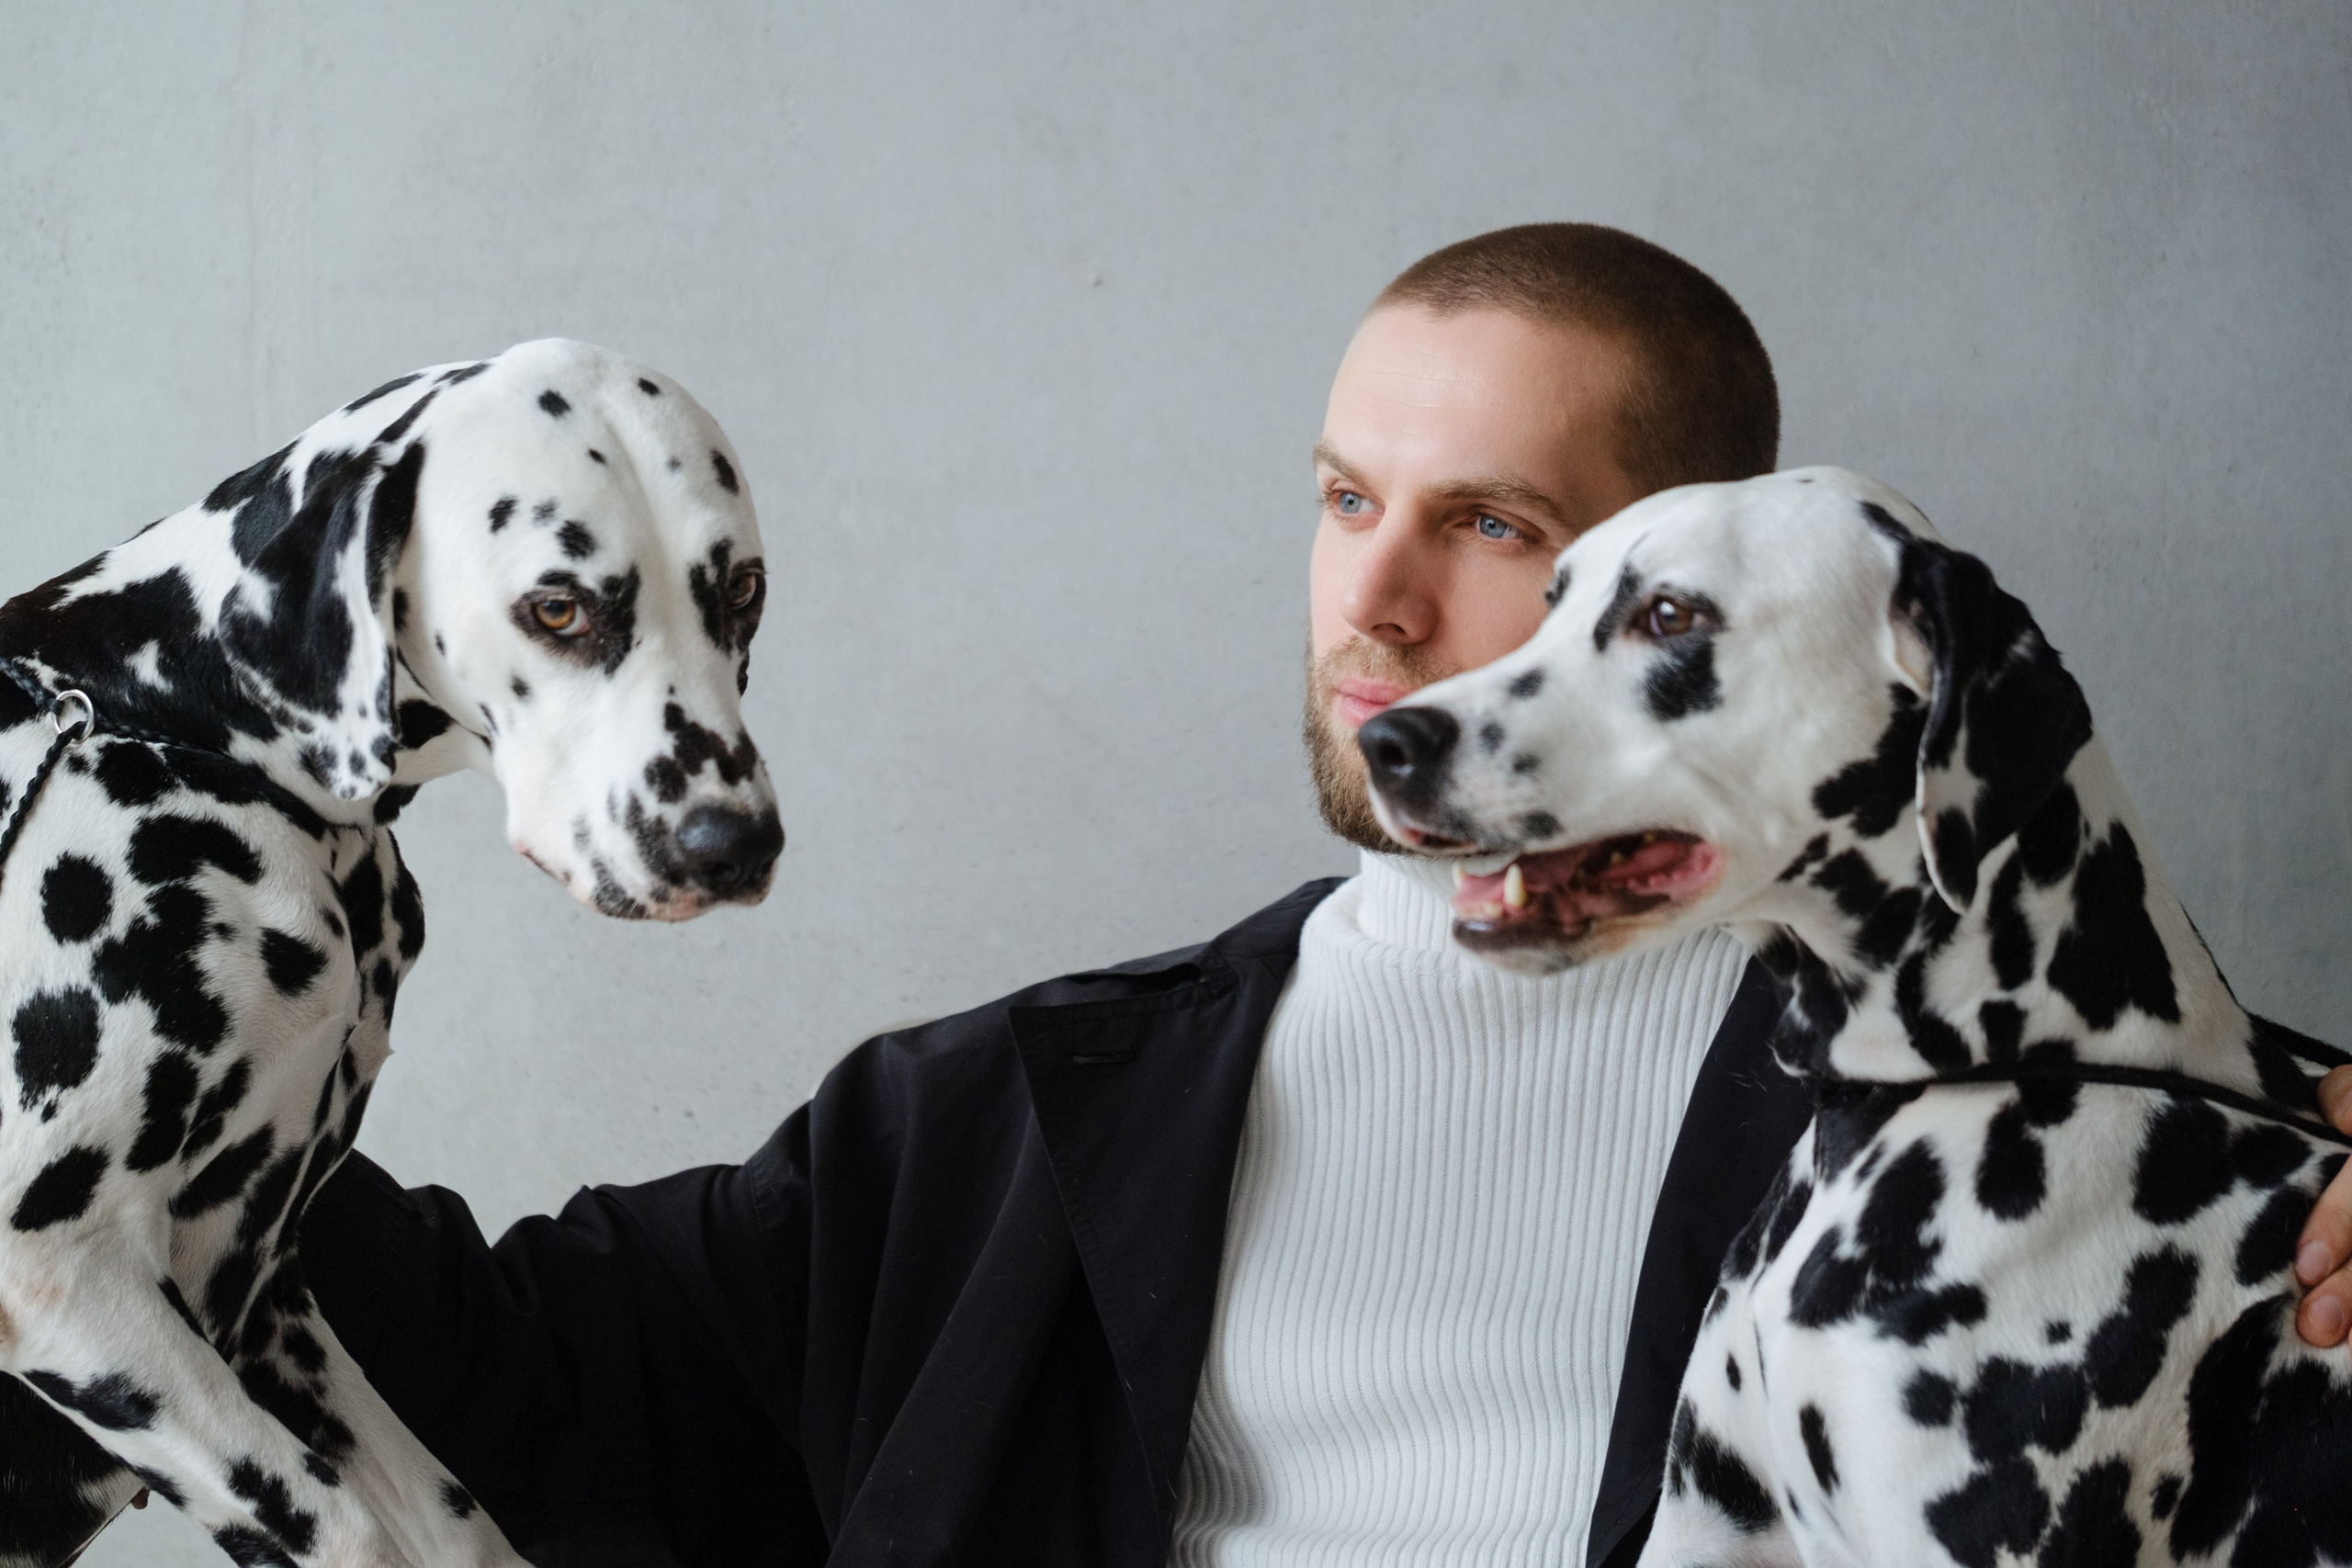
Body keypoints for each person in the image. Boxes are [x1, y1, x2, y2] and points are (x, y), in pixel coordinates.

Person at [298, 224, 2352, 1568]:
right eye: (1346, 496)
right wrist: (174, 902)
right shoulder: (1014, 1122)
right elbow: (496, 1366)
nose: (1371, 598)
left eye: (1491, 524)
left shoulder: (2094, 1157)